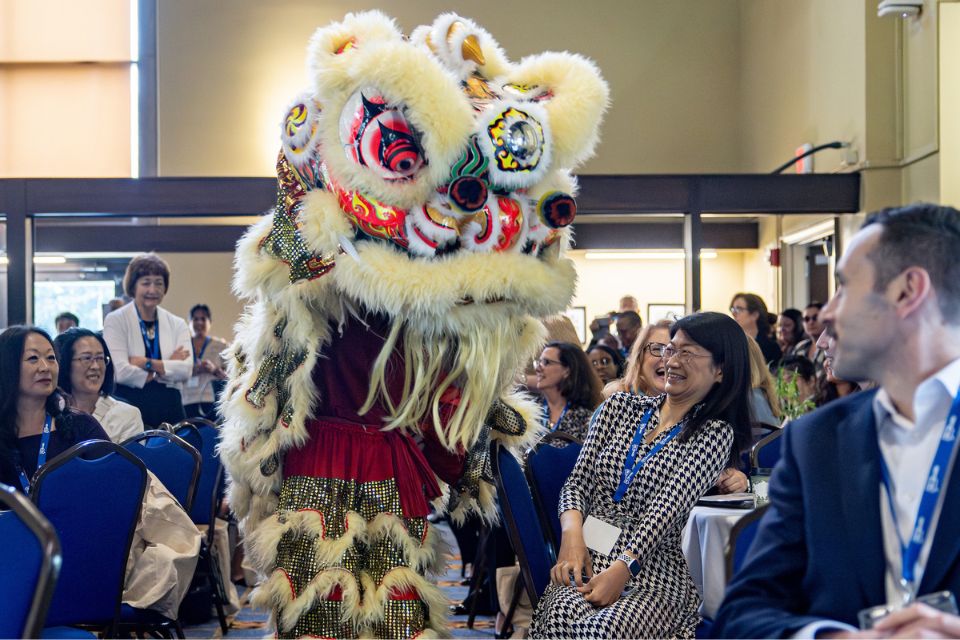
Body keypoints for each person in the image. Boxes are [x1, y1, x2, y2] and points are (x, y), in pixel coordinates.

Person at [715, 203, 960, 638]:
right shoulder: (818, 440)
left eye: (845, 287)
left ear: (907, 291)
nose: (826, 314)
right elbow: (744, 613)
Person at [531, 312, 752, 638]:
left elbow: (667, 508)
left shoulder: (714, 433)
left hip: (653, 574)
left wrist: (623, 569)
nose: (672, 361)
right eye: (669, 349)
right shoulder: (617, 408)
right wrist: (572, 537)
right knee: (558, 616)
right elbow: (579, 480)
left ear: (720, 370)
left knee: (600, 632)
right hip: (588, 556)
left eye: (687, 353)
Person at [0, 326, 109, 491]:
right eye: (33, 358)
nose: (45, 367)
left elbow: (118, 483)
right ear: (7, 366)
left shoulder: (82, 427)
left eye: (51, 358)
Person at [103, 253, 192, 427]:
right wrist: (167, 365)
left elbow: (186, 370)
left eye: (159, 283)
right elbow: (120, 372)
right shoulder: (116, 320)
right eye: (146, 283)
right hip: (129, 404)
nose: (153, 290)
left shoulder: (177, 323)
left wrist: (146, 363)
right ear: (133, 286)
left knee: (175, 453)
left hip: (170, 407)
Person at [53, 328, 144, 443]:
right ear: (65, 364)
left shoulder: (127, 415)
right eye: (87, 358)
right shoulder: (51, 412)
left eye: (100, 358)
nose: (95, 366)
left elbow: (128, 461)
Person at [535, 342, 604, 441]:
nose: (537, 369)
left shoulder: (586, 418)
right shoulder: (531, 411)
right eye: (539, 362)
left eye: (546, 362)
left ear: (567, 370)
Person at [181, 304, 229, 419]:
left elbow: (229, 379)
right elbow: (172, 374)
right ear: (189, 322)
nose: (199, 323)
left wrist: (214, 369)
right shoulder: (181, 346)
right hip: (185, 400)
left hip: (211, 399)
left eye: (203, 319)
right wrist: (191, 369)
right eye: (195, 319)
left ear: (210, 322)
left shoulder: (222, 346)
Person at [603, 319, 671, 398]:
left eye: (674, 351)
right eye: (657, 349)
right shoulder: (618, 403)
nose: (668, 359)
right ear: (639, 357)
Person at [730, 292, 781, 365]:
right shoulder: (730, 343)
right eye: (733, 309)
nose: (734, 314)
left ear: (755, 315)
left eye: (739, 309)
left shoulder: (771, 347)